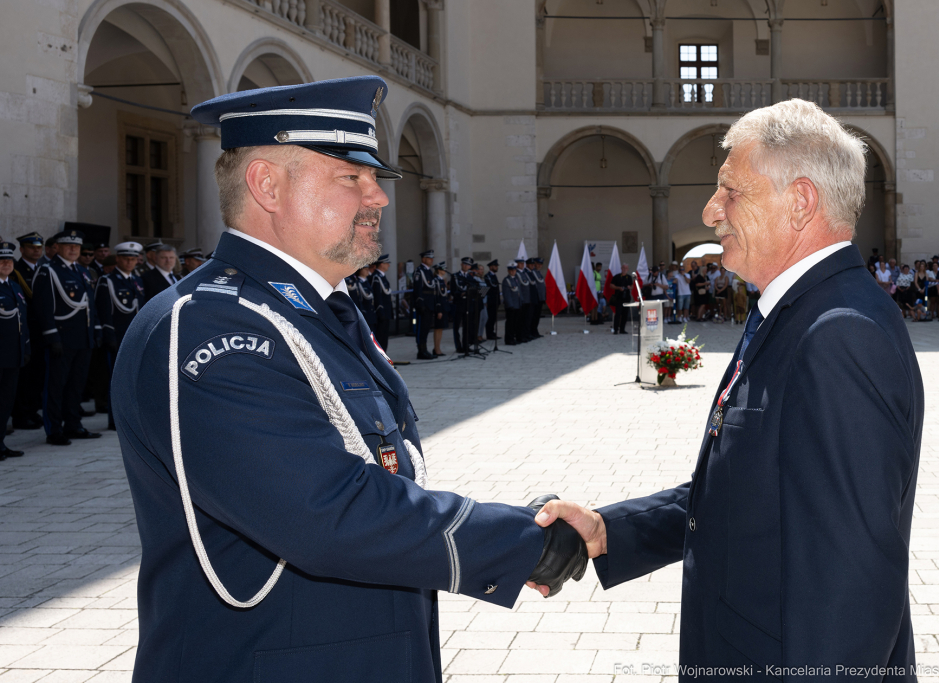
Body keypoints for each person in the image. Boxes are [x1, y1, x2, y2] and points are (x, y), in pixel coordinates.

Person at [115, 77, 586, 683]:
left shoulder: (316, 311)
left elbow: (379, 476)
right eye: (350, 177)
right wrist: (523, 541)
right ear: (266, 185)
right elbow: (323, 510)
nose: (379, 197)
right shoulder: (209, 324)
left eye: (375, 178)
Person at [532, 99, 925, 678]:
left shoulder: (839, 333)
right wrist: (613, 528)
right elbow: (745, 491)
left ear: (801, 202)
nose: (711, 210)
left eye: (730, 191)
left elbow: (852, 582)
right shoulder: (791, 312)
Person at [31, 229, 103, 445]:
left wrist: (96, 330)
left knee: (76, 385)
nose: (73, 250)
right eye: (68, 246)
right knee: (56, 385)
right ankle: (54, 429)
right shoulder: (48, 271)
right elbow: (43, 308)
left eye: (76, 247)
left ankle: (73, 425)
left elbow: (90, 304)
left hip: (83, 338)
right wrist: (52, 337)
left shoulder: (82, 271)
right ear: (58, 248)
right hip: (62, 339)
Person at [94, 242, 145, 431]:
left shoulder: (137, 281)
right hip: (117, 337)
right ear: (118, 259)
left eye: (133, 259)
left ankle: (130, 417)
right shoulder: (107, 281)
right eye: (126, 258)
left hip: (134, 338)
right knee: (116, 380)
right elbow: (104, 311)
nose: (130, 262)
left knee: (133, 380)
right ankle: (114, 419)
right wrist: (109, 336)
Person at [11, 232, 46, 430]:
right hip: (24, 329)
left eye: (38, 247)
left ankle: (32, 410)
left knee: (37, 373)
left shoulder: (43, 269)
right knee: (24, 376)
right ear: (22, 249)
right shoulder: (15, 270)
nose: (36, 250)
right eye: (32, 247)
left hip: (40, 331)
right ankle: (21, 414)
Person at [0, 242, 29, 459]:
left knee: (6, 402)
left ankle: (0, 443)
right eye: (2, 261)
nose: (6, 264)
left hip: (13, 354)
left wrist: (25, 347)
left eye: (9, 261)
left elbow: (22, 321)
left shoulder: (15, 287)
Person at [412, 250, 439, 359]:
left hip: (429, 303)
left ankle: (425, 349)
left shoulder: (428, 271)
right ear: (423, 259)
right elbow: (418, 289)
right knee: (421, 329)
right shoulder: (419, 271)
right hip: (423, 304)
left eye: (432, 258)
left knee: (426, 328)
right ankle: (421, 350)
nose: (431, 260)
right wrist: (420, 303)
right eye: (429, 258)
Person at [371, 254, 393, 351]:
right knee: (380, 337)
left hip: (386, 311)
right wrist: (380, 311)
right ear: (381, 264)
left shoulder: (382, 276)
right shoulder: (376, 277)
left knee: (384, 338)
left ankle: (385, 359)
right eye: (387, 263)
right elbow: (377, 296)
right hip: (381, 312)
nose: (388, 265)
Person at [608, 263, 632, 335]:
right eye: (623, 268)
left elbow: (632, 286)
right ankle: (615, 329)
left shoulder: (629, 277)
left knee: (625, 314)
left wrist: (629, 287)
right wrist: (618, 288)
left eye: (626, 268)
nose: (624, 269)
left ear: (627, 269)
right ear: (621, 268)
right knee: (618, 314)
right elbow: (611, 285)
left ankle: (622, 329)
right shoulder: (617, 277)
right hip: (618, 298)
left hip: (626, 298)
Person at [501, 261, 521, 345]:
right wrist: (510, 305)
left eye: (514, 270)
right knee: (510, 323)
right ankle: (509, 339)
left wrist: (521, 302)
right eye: (511, 270)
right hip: (511, 306)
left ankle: (513, 337)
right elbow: (507, 294)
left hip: (517, 305)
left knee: (515, 323)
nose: (513, 271)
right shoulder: (506, 280)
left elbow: (519, 292)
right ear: (508, 271)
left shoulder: (516, 279)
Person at [484, 259, 500, 340]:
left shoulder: (493, 275)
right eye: (495, 266)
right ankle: (489, 334)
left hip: (495, 300)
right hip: (490, 300)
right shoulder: (487, 276)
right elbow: (489, 288)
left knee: (493, 318)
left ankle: (492, 332)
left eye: (497, 266)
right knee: (490, 318)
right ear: (491, 267)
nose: (497, 267)